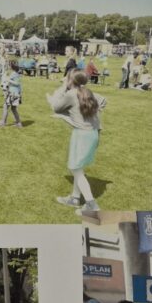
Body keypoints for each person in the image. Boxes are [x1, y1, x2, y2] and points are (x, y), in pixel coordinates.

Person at [50, 70, 106, 216]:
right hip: (92, 134)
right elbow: (103, 102)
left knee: (75, 169)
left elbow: (55, 106)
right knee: (79, 167)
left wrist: (63, 87)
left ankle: (91, 205)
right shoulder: (87, 92)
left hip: (82, 136)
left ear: (70, 80)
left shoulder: (71, 94)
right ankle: (75, 198)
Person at [0, 61, 22, 128]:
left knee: (5, 107)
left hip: (13, 93)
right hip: (16, 93)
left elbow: (17, 83)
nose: (9, 66)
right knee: (13, 109)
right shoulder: (17, 73)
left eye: (10, 65)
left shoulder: (14, 74)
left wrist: (8, 80)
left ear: (12, 67)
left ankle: (3, 122)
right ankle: (19, 123)